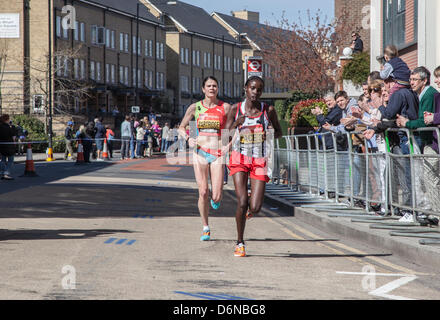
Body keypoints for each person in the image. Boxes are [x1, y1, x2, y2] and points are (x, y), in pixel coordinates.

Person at [225, 76, 283, 257]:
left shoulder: (268, 110)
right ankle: (240, 242)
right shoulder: (236, 109)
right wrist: (236, 124)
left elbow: (279, 133)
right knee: (242, 202)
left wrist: (268, 134)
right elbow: (225, 137)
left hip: (259, 160)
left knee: (256, 207)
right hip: (239, 158)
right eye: (252, 88)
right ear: (245, 89)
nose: (255, 92)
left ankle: (249, 207)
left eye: (259, 89)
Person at [178, 76, 232, 242]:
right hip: (199, 151)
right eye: (208, 86)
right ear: (203, 89)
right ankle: (205, 227)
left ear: (218, 88)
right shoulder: (195, 108)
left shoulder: (225, 107)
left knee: (215, 195)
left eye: (214, 86)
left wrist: (227, 146)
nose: (212, 88)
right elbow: (182, 127)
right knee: (203, 192)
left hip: (217, 153)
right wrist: (189, 139)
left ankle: (216, 199)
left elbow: (230, 130)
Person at [0, 114, 16, 180]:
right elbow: (13, 134)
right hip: (9, 145)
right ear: (6, 120)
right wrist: (12, 127)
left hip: (2, 145)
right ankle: (6, 173)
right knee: (10, 160)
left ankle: (2, 172)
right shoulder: (8, 127)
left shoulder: (0, 127)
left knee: (3, 160)